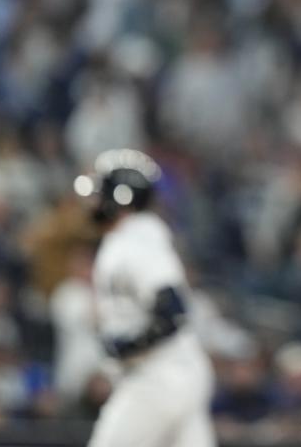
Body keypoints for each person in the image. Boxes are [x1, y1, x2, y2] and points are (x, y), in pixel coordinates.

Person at [75, 149, 215, 447]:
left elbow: (171, 310)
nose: (92, 201)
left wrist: (127, 345)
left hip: (157, 376)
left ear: (121, 197)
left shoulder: (136, 240)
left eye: (100, 193)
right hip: (176, 372)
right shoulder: (132, 238)